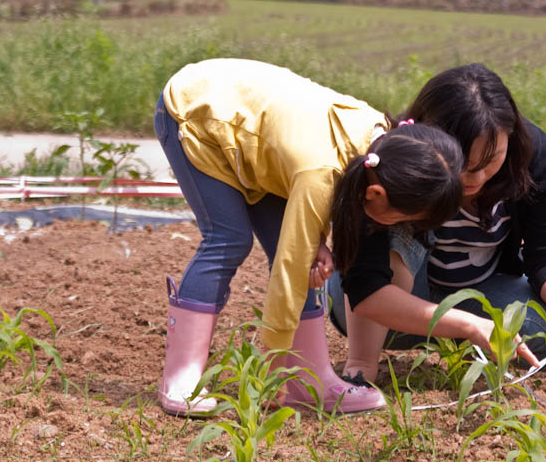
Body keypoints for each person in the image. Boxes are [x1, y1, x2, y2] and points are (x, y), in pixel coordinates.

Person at [154, 58, 465, 416]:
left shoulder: (379, 141)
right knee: (229, 239)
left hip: (257, 127)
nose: (399, 229)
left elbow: (309, 175)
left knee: (302, 256)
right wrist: (267, 373)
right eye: (404, 219)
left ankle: (309, 379)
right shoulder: (319, 172)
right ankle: (181, 379)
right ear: (376, 195)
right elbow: (290, 269)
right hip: (198, 111)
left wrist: (315, 239)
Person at [327, 63, 546, 385]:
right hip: (382, 307)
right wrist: (468, 325)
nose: (475, 178)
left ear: (510, 136)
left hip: (479, 292)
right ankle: (361, 369)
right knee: (396, 240)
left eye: (490, 162)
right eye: (463, 165)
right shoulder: (392, 162)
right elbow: (366, 286)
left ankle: (464, 335)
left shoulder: (535, 159)